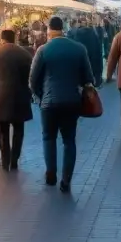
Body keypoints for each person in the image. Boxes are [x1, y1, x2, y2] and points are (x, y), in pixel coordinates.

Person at [30, 16, 94, 192]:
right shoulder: (79, 49)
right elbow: (88, 78)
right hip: (72, 102)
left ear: (49, 29)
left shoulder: (43, 50)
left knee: (48, 137)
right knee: (69, 140)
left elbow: (32, 80)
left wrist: (40, 95)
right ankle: (66, 180)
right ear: (63, 28)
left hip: (48, 103)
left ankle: (51, 172)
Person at [0, 29, 34, 170]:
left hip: (2, 97)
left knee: (2, 129)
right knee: (19, 129)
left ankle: (5, 159)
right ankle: (14, 159)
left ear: (2, 39)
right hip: (21, 96)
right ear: (15, 38)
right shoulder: (25, 54)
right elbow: (30, 76)